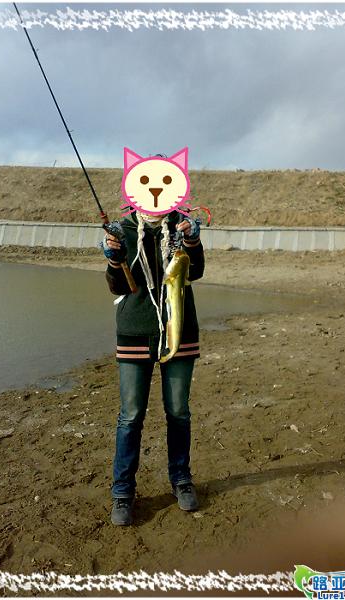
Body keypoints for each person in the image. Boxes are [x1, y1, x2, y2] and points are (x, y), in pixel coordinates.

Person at [102, 209, 205, 526]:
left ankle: (181, 479)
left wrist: (192, 241)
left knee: (178, 411)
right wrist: (114, 259)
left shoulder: (181, 225)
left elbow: (195, 271)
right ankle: (122, 492)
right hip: (134, 331)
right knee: (130, 415)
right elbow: (118, 286)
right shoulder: (123, 229)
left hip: (179, 330)